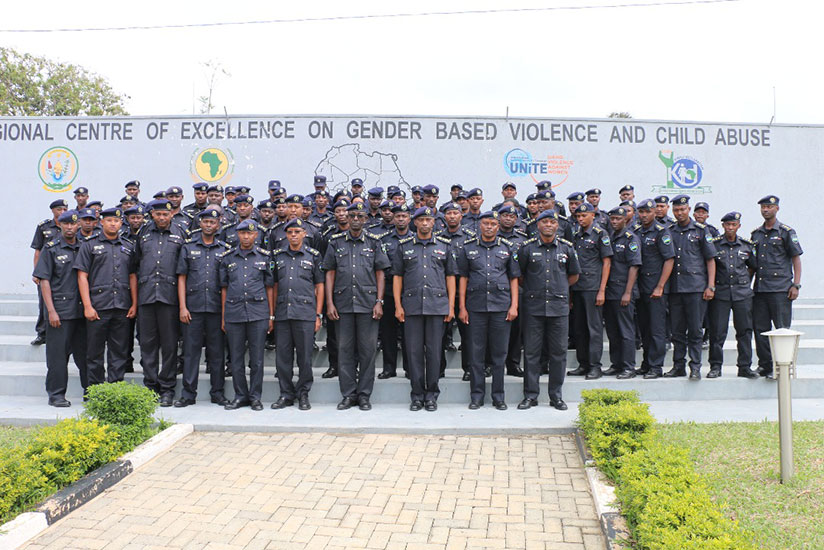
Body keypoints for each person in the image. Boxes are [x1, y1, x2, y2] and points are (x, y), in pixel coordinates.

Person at [323, 202, 391, 410]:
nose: (354, 219)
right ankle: (348, 394)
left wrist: (379, 302)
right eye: (351, 215)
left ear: (365, 219)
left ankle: (364, 395)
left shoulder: (374, 242)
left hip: (368, 305)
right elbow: (329, 273)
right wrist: (329, 303)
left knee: (367, 351)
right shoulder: (335, 243)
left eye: (359, 216)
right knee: (344, 350)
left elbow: (381, 272)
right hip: (342, 305)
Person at [392, 207, 456, 412]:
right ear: (415, 222)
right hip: (411, 307)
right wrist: (398, 305)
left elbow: (451, 278)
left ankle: (432, 395)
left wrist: (451, 306)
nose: (426, 223)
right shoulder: (404, 247)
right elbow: (397, 278)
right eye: (422, 220)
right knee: (414, 352)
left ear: (434, 223)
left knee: (435, 353)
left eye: (429, 219)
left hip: (437, 306)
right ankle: (417, 395)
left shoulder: (444, 246)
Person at [516, 210, 580, 410]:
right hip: (534, 307)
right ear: (537, 225)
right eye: (544, 222)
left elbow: (573, 276)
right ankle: (531, 395)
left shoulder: (567, 249)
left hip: (558, 307)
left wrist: (558, 288)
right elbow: (520, 277)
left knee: (558, 353)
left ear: (557, 226)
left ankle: (556, 396)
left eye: (552, 222)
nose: (549, 225)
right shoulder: (526, 248)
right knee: (531, 353)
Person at [456, 211, 520, 410]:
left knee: (499, 354)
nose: (489, 227)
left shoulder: (508, 248)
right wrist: (462, 307)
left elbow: (514, 279)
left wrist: (514, 306)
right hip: (475, 307)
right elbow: (463, 278)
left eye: (493, 223)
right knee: (476, 353)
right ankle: (477, 396)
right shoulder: (468, 248)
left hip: (501, 306)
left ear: (498, 226)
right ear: (479, 226)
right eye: (486, 223)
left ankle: (498, 396)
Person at [74, 207, 138, 385]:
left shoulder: (128, 246)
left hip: (122, 307)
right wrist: (87, 306)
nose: (113, 223)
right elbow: (82, 276)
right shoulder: (89, 245)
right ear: (101, 222)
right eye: (109, 220)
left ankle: (114, 390)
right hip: (98, 307)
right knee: (94, 352)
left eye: (116, 221)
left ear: (121, 223)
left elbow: (133, 276)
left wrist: (134, 303)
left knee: (119, 352)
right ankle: (95, 392)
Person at [175, 209, 232, 407]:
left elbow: (226, 285)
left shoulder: (225, 249)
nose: (209, 225)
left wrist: (225, 315)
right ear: (200, 224)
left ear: (218, 225)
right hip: (193, 308)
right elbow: (181, 278)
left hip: (216, 309)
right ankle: (188, 394)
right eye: (206, 221)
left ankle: (217, 393)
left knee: (217, 353)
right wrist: (182, 307)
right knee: (191, 353)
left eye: (212, 222)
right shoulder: (188, 248)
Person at [133, 199, 187, 406]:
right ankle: (150, 387)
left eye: (165, 214)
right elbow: (135, 266)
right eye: (158, 214)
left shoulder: (181, 233)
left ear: (172, 214)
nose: (162, 218)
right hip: (147, 297)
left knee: (169, 345)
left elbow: (184, 268)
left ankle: (167, 389)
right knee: (148, 345)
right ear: (152, 215)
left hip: (170, 297)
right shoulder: (143, 234)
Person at [33, 210, 88, 407]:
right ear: (61, 225)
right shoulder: (51, 248)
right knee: (57, 357)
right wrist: (51, 311)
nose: (70, 227)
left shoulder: (84, 247)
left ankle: (90, 393)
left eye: (73, 224)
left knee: (86, 356)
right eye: (66, 224)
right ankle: (56, 395)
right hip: (60, 312)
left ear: (78, 225)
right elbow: (44, 281)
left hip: (81, 312)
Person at [219, 220, 274, 411]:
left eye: (249, 234)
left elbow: (270, 288)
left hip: (258, 313)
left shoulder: (265, 258)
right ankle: (240, 395)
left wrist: (271, 316)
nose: (246, 237)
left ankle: (255, 397)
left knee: (257, 359)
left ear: (256, 235)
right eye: (242, 233)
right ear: (237, 235)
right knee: (236, 358)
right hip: (234, 314)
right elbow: (224, 289)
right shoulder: (227, 258)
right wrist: (224, 316)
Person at [270, 218, 324, 410]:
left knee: (304, 358)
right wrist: (272, 314)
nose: (293, 235)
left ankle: (303, 393)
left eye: (297, 232)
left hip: (305, 313)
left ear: (304, 234)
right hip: (283, 313)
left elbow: (319, 286)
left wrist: (318, 315)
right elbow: (274, 286)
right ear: (286, 234)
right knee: (282, 358)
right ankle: (285, 394)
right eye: (290, 232)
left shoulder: (313, 256)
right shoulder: (277, 256)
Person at [750, 195, 803, 377]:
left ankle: (782, 367)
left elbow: (796, 258)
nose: (766, 210)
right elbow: (752, 264)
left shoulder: (786, 232)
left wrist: (796, 284)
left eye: (769, 207)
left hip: (781, 289)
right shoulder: (756, 234)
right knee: (760, 329)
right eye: (763, 207)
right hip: (760, 289)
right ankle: (765, 365)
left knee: (781, 330)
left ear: (777, 209)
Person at [665, 195, 716, 380]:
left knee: (695, 330)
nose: (679, 213)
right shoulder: (669, 230)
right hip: (675, 288)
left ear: (689, 210)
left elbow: (710, 259)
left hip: (695, 288)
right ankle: (678, 366)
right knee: (677, 331)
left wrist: (710, 286)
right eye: (676, 210)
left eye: (682, 209)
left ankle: (695, 367)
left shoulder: (701, 231)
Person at [707, 211, 758, 379]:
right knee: (717, 331)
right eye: (727, 225)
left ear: (738, 226)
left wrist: (744, 282)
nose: (730, 228)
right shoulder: (715, 245)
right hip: (720, 293)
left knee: (744, 331)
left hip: (742, 293)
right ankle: (715, 366)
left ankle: (744, 366)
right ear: (723, 226)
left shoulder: (746, 245)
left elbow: (752, 267)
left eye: (733, 225)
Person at [568, 203, 612, 380]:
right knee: (579, 329)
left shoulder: (600, 234)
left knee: (594, 329)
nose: (580, 219)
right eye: (578, 217)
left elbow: (607, 262)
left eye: (584, 216)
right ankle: (583, 363)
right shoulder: (576, 235)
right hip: (578, 287)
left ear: (593, 215)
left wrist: (602, 290)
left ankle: (595, 366)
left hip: (593, 288)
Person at [633, 199, 675, 379]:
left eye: (647, 212)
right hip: (641, 287)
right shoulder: (636, 232)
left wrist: (660, 286)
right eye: (641, 212)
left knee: (657, 330)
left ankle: (656, 367)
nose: (643, 215)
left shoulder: (661, 232)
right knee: (644, 329)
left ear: (654, 212)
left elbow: (669, 259)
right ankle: (646, 363)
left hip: (656, 288)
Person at [602, 207, 642, 379]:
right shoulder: (609, 237)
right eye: (612, 219)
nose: (615, 222)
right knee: (612, 330)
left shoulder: (630, 238)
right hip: (610, 290)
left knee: (626, 331)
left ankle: (628, 367)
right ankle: (616, 364)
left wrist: (627, 292)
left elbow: (634, 266)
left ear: (626, 219)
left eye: (618, 219)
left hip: (624, 290)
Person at [378, 203, 412, 379]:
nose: (400, 219)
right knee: (388, 332)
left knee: (409, 333)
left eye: (404, 216)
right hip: (389, 290)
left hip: (410, 291)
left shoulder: (415, 238)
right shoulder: (384, 240)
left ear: (409, 218)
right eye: (397, 216)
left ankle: (409, 367)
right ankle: (389, 368)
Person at [31, 199, 69, 345]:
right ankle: (42, 333)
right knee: (44, 303)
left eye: (65, 209)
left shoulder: (71, 226)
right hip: (46, 270)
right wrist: (36, 272)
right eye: (59, 209)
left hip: (64, 271)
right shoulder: (44, 227)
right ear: (53, 210)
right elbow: (38, 251)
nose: (62, 212)